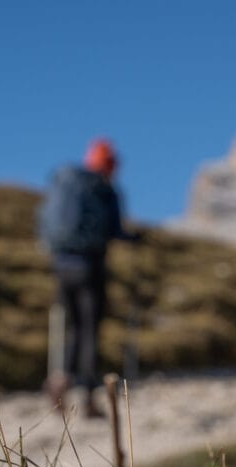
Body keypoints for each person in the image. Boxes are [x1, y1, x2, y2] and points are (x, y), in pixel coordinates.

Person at [38, 138, 138, 417]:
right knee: (90, 329)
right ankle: (89, 396)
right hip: (90, 266)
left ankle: (60, 379)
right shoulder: (105, 190)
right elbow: (115, 230)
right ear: (111, 165)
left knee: (73, 326)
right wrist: (134, 239)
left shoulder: (66, 182)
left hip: (62, 265)